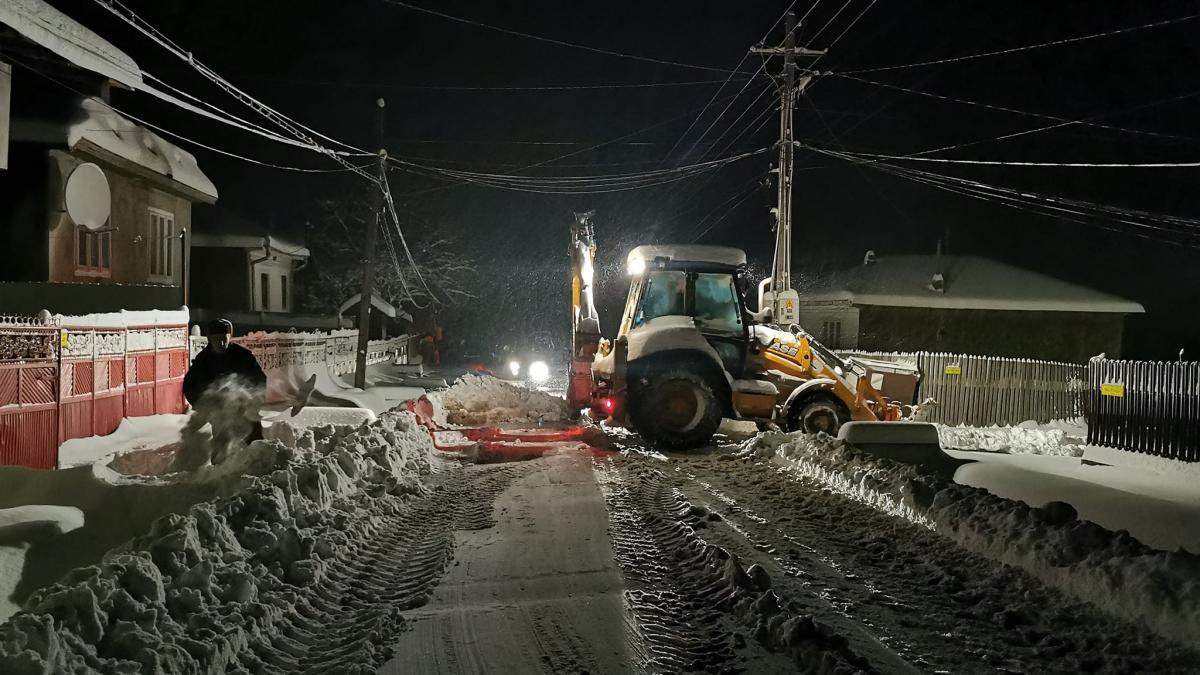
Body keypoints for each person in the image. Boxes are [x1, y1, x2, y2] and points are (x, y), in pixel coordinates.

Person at [182, 319, 267, 461]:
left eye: (224, 339)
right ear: (209, 339)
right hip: (219, 411)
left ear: (229, 337)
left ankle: (259, 464)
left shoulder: (243, 356)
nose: (221, 343)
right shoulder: (203, 361)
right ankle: (220, 472)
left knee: (254, 436)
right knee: (222, 442)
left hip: (244, 407)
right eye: (217, 340)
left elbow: (259, 379)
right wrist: (203, 405)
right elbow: (190, 386)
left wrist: (253, 398)